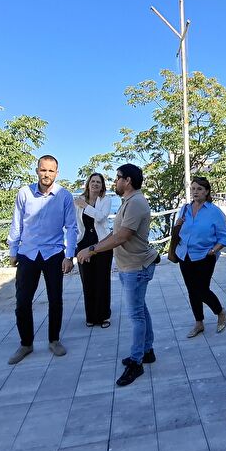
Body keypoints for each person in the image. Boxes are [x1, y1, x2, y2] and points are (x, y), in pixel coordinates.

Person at [77, 164, 158, 387]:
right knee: (141, 310)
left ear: (128, 180)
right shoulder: (128, 201)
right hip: (129, 266)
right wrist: (92, 246)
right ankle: (147, 350)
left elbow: (122, 236)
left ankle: (136, 361)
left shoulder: (136, 203)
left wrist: (92, 250)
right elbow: (114, 233)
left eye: (118, 177)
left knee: (136, 315)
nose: (115, 181)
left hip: (136, 267)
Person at [6, 155, 77, 365]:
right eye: (43, 170)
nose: (46, 174)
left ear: (57, 173)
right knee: (22, 301)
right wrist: (13, 250)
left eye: (51, 171)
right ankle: (26, 344)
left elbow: (71, 227)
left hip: (53, 254)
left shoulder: (64, 196)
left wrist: (69, 256)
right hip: (28, 253)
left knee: (55, 300)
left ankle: (54, 340)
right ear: (37, 170)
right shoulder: (24, 193)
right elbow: (17, 223)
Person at [174, 176, 226, 338]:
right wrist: (178, 224)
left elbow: (224, 237)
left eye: (199, 189)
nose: (195, 192)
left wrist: (213, 250)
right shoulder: (185, 209)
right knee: (192, 290)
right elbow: (178, 229)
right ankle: (199, 322)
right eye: (193, 188)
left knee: (201, 290)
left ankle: (220, 312)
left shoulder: (214, 212)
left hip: (205, 257)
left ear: (207, 192)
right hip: (184, 255)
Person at [75, 173, 113, 328]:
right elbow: (74, 223)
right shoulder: (79, 200)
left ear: (102, 185)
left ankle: (104, 316)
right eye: (93, 181)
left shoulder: (105, 200)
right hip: (83, 242)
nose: (95, 184)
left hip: (102, 243)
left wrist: (85, 206)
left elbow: (101, 217)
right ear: (88, 183)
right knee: (88, 281)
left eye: (98, 182)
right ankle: (90, 316)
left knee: (102, 280)